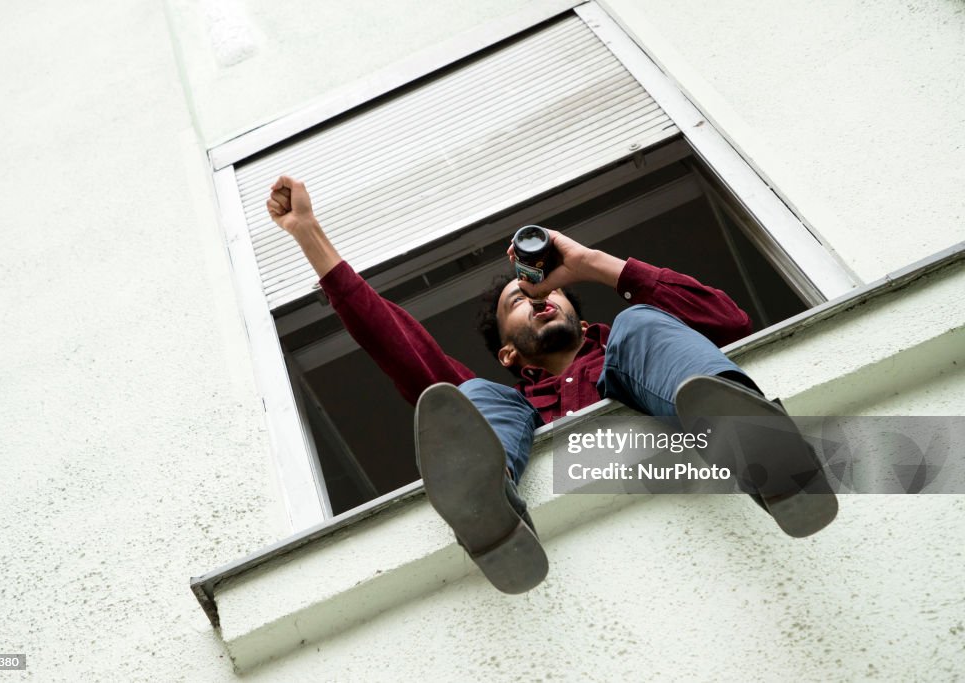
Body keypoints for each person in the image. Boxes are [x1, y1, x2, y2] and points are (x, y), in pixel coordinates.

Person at [266, 175, 837, 594]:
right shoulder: (512, 402)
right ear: (509, 351)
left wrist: (589, 263)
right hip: (547, 463)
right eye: (522, 301)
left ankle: (758, 445)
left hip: (676, 418)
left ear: (580, 317)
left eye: (546, 293)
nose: (538, 301)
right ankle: (493, 512)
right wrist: (310, 236)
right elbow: (397, 342)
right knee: (468, 400)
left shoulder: (628, 341)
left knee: (640, 323)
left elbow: (728, 321)